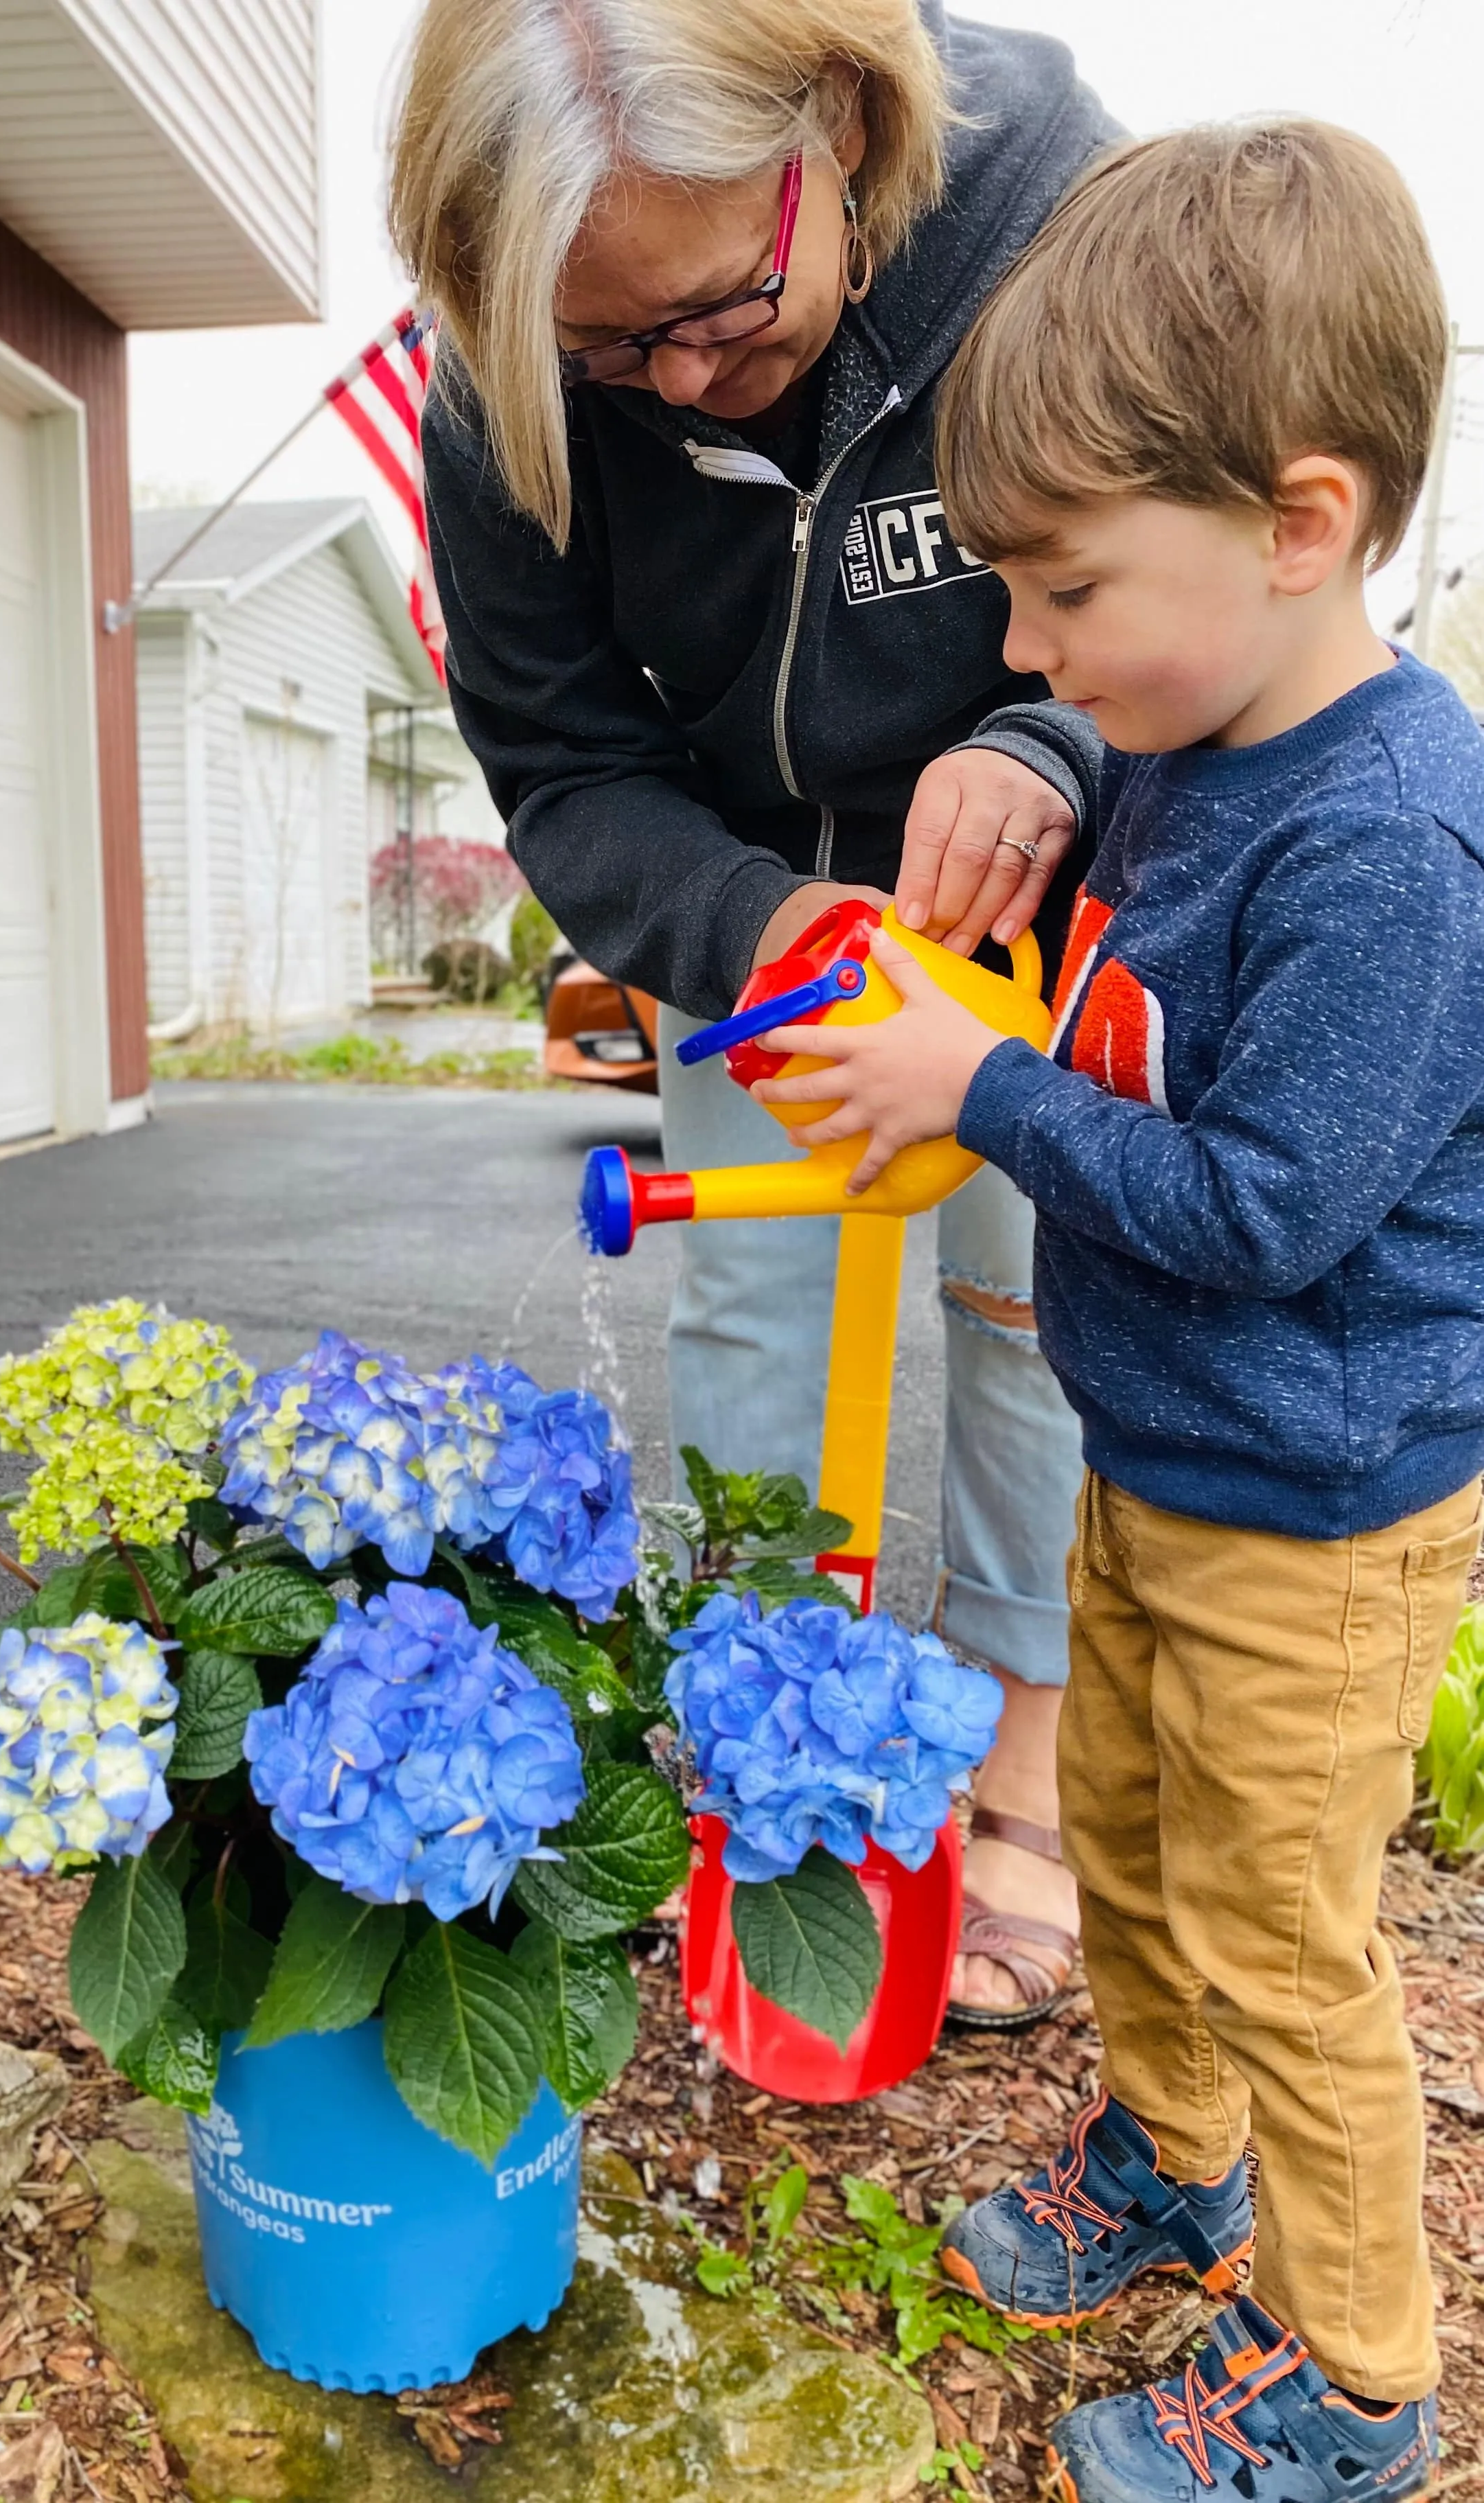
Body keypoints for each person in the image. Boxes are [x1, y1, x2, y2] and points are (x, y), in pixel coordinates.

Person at [755, 119, 1483, 2502]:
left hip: (1313, 1522)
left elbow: (1263, 1203)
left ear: (1296, 522)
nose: (1021, 654)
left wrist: (983, 1087)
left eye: (1060, 594)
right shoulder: (1191, 749)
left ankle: (1359, 2386)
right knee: (1145, 1867)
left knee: (1289, 1948)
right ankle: (1167, 2160)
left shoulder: (1384, 840)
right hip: (1165, 1468)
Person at [390, 0, 1120, 2025]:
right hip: (757, 912)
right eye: (612, 353)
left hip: (1047, 890)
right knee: (758, 1316)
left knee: (1025, 1313)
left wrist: (1054, 744)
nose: (685, 375)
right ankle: (766, 1780)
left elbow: (1206, 564)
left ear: (845, 125)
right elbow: (557, 753)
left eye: (721, 302)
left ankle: (1021, 1788)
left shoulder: (1056, 203)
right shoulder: (498, 366)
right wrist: (764, 914)